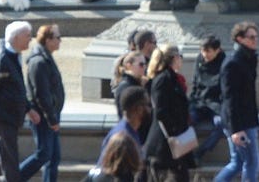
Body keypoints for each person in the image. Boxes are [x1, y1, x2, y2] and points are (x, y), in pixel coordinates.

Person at [0, 21, 39, 182]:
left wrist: (28, 109)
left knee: (1, 159)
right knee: (10, 161)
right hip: (1, 119)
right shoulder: (2, 60)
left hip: (9, 118)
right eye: (27, 36)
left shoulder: (14, 56)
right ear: (16, 38)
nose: (30, 39)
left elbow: (16, 88)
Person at [213, 21, 259, 182]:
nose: (255, 40)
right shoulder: (233, 63)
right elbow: (229, 98)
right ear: (240, 39)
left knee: (238, 163)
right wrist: (236, 129)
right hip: (241, 122)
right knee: (252, 162)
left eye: (256, 37)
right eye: (251, 37)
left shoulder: (248, 59)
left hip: (247, 118)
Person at [144, 45, 196, 182]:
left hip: (173, 141)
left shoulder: (171, 78)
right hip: (166, 143)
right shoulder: (164, 79)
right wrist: (175, 134)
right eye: (180, 56)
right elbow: (161, 111)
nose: (181, 60)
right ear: (174, 58)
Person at [19, 25, 65, 182]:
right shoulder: (39, 62)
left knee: (54, 156)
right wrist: (52, 119)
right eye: (58, 37)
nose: (60, 40)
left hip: (50, 114)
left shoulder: (45, 58)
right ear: (48, 40)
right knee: (44, 154)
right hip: (44, 116)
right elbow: (42, 94)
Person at [96, 86, 150, 182]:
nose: (150, 109)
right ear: (139, 109)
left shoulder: (130, 132)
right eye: (147, 105)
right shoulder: (123, 137)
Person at [190, 35, 226, 159]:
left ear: (217, 50)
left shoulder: (225, 63)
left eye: (208, 51)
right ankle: (186, 154)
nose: (205, 55)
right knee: (187, 121)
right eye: (202, 51)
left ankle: (200, 152)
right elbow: (195, 82)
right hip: (199, 102)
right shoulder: (199, 60)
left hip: (216, 104)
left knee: (220, 124)